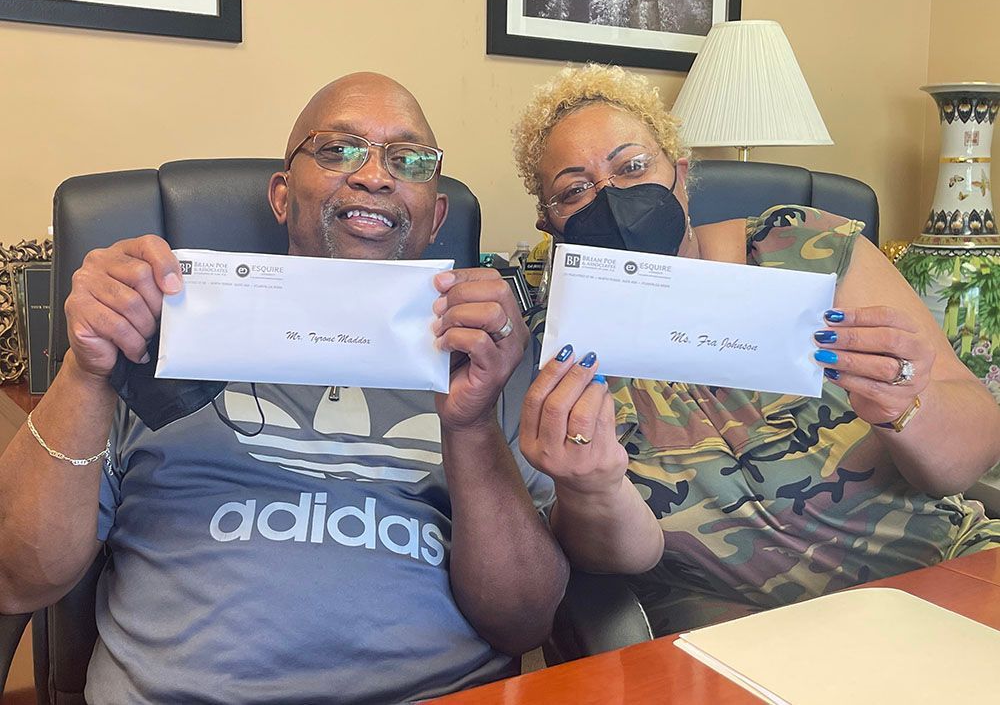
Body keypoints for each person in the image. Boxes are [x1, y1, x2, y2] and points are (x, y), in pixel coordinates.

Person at [0, 72, 568, 704]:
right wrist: (86, 371)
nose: (375, 175)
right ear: (281, 195)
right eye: (338, 150)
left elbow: (523, 623)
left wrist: (470, 426)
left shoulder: (486, 366)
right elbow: (16, 578)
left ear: (436, 216)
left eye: (408, 160)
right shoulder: (156, 338)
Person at [512, 63, 1000, 636]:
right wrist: (592, 489)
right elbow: (623, 558)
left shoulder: (807, 246)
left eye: (633, 166)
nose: (612, 196)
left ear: (681, 173)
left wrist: (909, 407)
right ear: (550, 222)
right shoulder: (561, 349)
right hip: (744, 628)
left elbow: (970, 456)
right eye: (575, 189)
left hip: (942, 570)